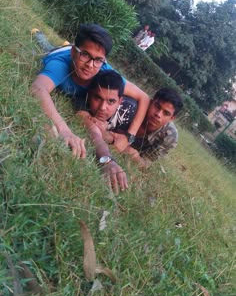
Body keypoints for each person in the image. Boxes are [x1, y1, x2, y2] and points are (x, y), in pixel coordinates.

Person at [31, 24, 149, 158]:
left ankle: (71, 46)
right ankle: (38, 33)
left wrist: (129, 137)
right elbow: (38, 88)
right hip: (58, 52)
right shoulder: (60, 66)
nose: (90, 65)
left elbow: (143, 97)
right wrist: (64, 130)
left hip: (72, 50)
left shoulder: (105, 71)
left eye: (98, 59)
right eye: (85, 55)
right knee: (45, 45)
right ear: (74, 52)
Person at [78, 83, 183, 171]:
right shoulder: (131, 107)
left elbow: (145, 164)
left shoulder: (169, 136)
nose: (158, 114)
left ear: (171, 118)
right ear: (150, 102)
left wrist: (121, 145)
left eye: (166, 113)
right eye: (157, 106)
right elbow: (89, 116)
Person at [78, 70, 133, 194]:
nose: (102, 107)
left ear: (120, 101)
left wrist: (128, 138)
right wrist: (107, 161)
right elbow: (95, 134)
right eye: (97, 98)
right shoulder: (83, 103)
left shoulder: (130, 113)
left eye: (111, 101)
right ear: (90, 94)